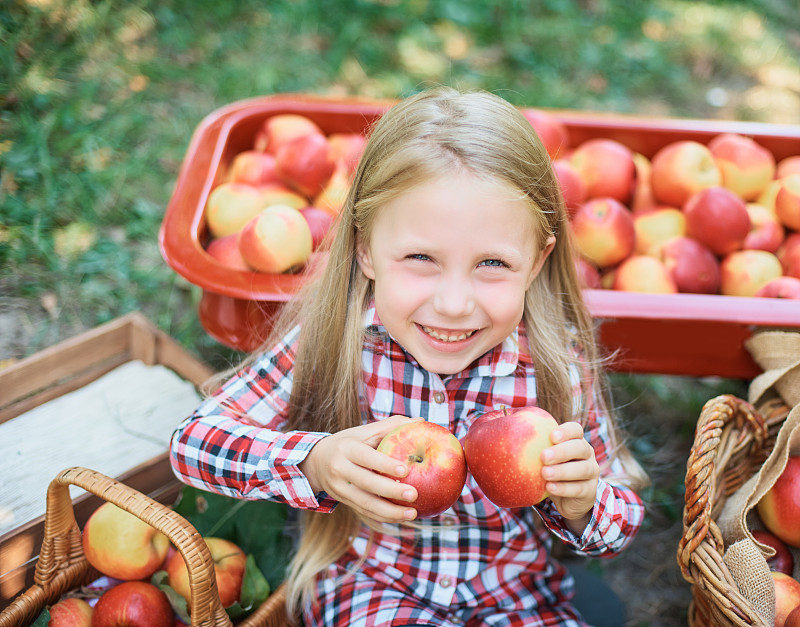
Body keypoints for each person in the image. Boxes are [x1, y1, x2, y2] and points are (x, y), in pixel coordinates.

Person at [170, 86, 648, 627]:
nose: (452, 304)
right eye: (421, 257)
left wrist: (584, 502)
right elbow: (194, 443)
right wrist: (315, 461)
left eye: (492, 263)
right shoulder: (336, 341)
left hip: (514, 595)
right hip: (374, 588)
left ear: (536, 264)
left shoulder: (554, 364)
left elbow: (622, 518)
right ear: (365, 249)